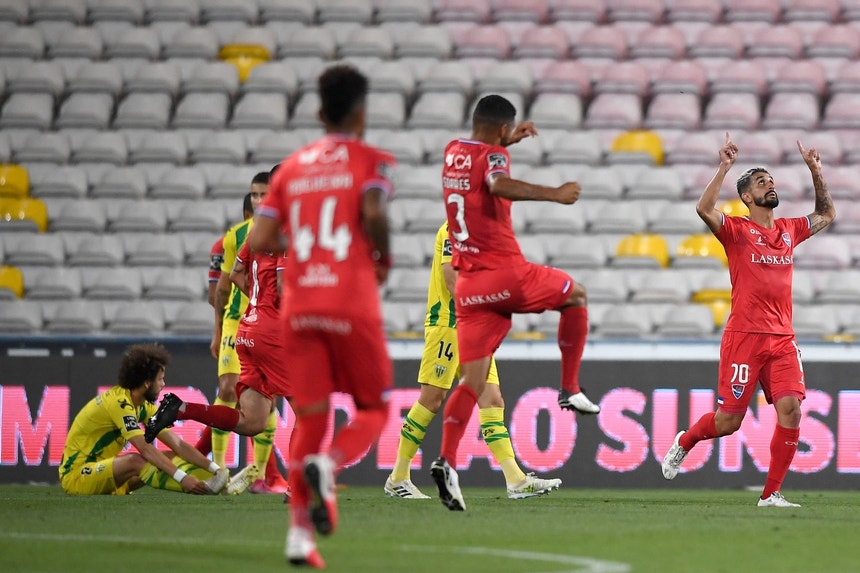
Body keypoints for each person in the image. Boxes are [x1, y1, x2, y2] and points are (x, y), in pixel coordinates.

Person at [250, 64, 395, 569]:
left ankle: (298, 537)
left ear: (318, 113)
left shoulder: (291, 168)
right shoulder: (371, 161)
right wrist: (383, 259)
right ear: (361, 114)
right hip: (349, 300)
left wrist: (302, 237)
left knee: (311, 417)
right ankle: (329, 468)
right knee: (374, 408)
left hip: (299, 307)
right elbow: (373, 213)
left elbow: (260, 239)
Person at [430, 94, 598, 512]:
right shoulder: (495, 160)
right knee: (576, 295)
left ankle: (446, 461)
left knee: (472, 381)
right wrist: (555, 193)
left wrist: (506, 141)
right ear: (503, 129)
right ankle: (570, 388)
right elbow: (496, 183)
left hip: (469, 288)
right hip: (505, 274)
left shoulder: (453, 151)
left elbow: (480, 162)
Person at [661, 133, 835, 507]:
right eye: (760, 182)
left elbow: (826, 215)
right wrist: (724, 167)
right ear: (746, 197)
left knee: (791, 410)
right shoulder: (737, 232)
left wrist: (815, 171)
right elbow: (704, 209)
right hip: (745, 337)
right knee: (728, 422)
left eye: (770, 180)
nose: (769, 185)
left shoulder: (788, 230)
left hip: (783, 339)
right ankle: (686, 440)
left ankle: (770, 494)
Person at [385, 221, 561, 500]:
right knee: (432, 399)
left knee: (492, 400)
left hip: (475, 330)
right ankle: (398, 477)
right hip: (448, 325)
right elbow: (450, 278)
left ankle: (516, 480)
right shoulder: (453, 229)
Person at [147, 231, 293, 497]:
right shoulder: (287, 234)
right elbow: (284, 287)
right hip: (272, 334)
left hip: (247, 330)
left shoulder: (254, 236)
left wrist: (260, 305)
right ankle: (297, 488)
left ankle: (181, 409)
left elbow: (235, 275)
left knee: (253, 422)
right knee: (308, 411)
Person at [59, 343, 229, 496]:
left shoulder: (142, 405)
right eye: (160, 379)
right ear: (147, 383)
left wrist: (215, 469)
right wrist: (183, 479)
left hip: (106, 472)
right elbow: (144, 448)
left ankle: (216, 484)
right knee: (135, 461)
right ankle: (199, 488)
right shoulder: (119, 403)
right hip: (78, 475)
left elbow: (178, 444)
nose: (163, 384)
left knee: (170, 456)